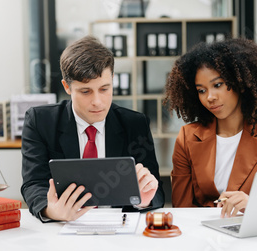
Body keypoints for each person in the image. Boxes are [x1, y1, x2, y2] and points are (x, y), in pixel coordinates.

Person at [21, 36, 165, 222]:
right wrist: (51, 211)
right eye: (85, 91)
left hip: (118, 227)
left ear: (113, 80)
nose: (97, 101)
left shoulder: (135, 124)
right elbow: (33, 184)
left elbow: (157, 191)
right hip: (63, 225)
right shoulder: (40, 121)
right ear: (67, 87)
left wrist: (143, 200)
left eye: (104, 89)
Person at [163, 38, 257, 218]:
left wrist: (256, 204)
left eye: (218, 85)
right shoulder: (187, 137)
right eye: (201, 90)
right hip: (205, 235)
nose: (210, 97)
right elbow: (182, 209)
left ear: (240, 83)